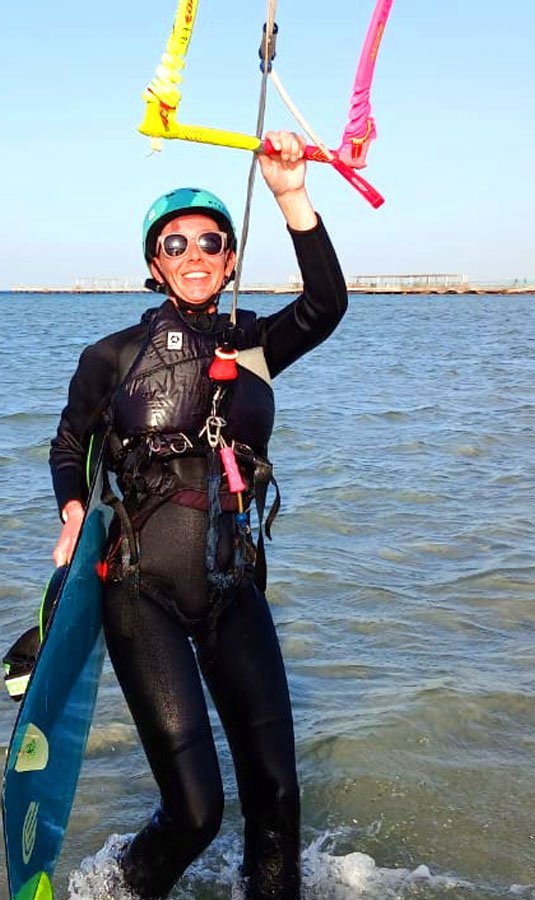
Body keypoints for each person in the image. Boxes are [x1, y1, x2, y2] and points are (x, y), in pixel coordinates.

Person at [48, 130, 348, 899]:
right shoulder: (111, 358)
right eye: (173, 242)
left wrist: (290, 193)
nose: (193, 253)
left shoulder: (252, 350)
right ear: (154, 263)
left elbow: (326, 305)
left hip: (230, 590)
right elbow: (68, 445)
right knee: (195, 813)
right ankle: (115, 890)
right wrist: (75, 510)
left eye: (210, 242)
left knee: (278, 798)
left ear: (229, 258)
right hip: (139, 591)